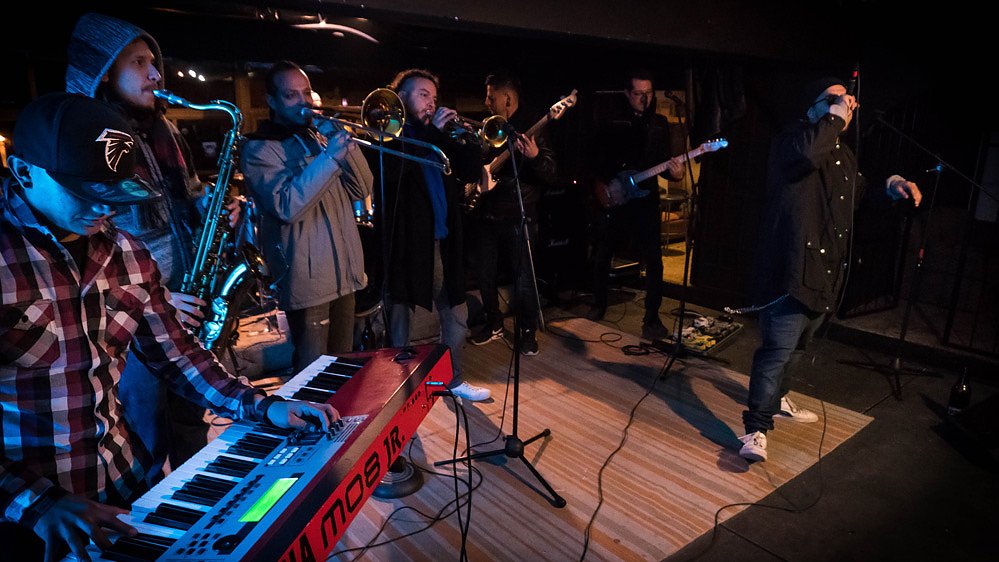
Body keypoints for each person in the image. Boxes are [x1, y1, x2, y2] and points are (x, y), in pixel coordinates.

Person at [0, 92, 337, 562]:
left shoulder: (129, 254)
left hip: (125, 484)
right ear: (23, 172)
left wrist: (263, 406)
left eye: (114, 192)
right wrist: (36, 503)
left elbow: (179, 355)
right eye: (87, 191)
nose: (105, 210)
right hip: (24, 519)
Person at [65, 12, 243, 474]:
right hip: (133, 319)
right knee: (143, 439)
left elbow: (186, 193)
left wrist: (211, 205)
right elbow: (93, 245)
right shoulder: (93, 143)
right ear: (104, 71)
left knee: (190, 426)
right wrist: (156, 298)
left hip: (188, 301)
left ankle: (195, 508)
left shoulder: (164, 132)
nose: (156, 75)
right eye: (140, 63)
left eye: (154, 62)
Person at [738, 77, 922, 462]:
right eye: (832, 98)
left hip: (825, 272)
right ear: (812, 108)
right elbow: (807, 155)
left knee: (799, 348)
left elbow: (859, 195)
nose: (845, 103)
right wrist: (835, 118)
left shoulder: (843, 155)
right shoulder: (792, 141)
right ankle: (755, 428)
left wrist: (892, 186)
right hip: (790, 270)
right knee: (776, 351)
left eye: (846, 99)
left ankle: (778, 400)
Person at [241, 60, 373, 373]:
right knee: (312, 369)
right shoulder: (259, 149)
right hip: (308, 279)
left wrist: (347, 146)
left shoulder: (318, 138)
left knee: (343, 365)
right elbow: (286, 206)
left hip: (344, 271)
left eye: (306, 93)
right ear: (272, 101)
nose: (303, 102)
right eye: (291, 95)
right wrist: (329, 159)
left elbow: (362, 187)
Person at [376, 68, 491, 401]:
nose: (431, 103)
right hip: (408, 243)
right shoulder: (390, 135)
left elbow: (470, 170)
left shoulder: (439, 136)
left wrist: (467, 140)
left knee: (456, 312)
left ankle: (451, 379)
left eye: (434, 97)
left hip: (445, 239)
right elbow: (394, 172)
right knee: (401, 317)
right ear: (402, 98)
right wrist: (434, 134)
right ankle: (395, 388)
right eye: (423, 95)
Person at [588, 69, 685, 340]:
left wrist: (676, 173)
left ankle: (651, 319)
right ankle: (598, 304)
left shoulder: (659, 124)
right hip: (617, 195)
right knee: (604, 253)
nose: (645, 99)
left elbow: (665, 163)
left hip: (646, 199)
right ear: (628, 94)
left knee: (655, 260)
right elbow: (595, 160)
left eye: (649, 93)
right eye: (639, 94)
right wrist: (601, 187)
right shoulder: (612, 122)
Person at [467, 71, 557, 356]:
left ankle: (527, 331)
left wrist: (535, 157)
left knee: (523, 279)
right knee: (485, 274)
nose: (486, 102)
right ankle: (494, 323)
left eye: (491, 97)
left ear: (507, 98)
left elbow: (551, 171)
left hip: (519, 213)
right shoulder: (490, 124)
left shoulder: (533, 125)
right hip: (487, 211)